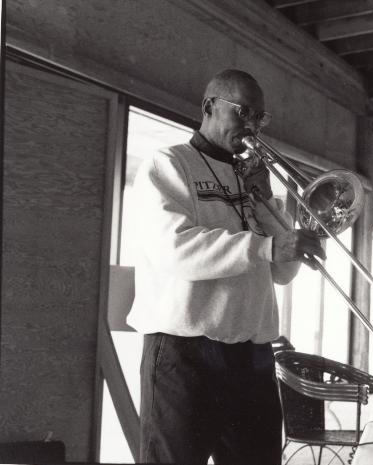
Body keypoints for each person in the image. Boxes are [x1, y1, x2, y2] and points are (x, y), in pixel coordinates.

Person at [126, 69, 326, 465]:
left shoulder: (251, 178)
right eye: (244, 112)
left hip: (251, 355)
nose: (253, 126)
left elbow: (283, 273)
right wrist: (267, 247)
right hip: (185, 355)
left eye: (259, 117)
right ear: (209, 107)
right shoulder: (168, 163)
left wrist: (267, 201)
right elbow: (177, 251)